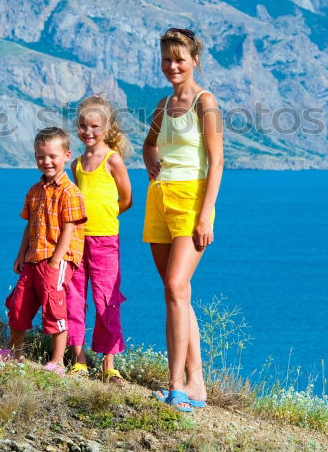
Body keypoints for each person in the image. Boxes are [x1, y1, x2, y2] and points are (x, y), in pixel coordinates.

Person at [142, 27, 223, 412]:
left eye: (180, 59)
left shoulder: (206, 103)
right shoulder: (163, 104)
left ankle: (176, 386)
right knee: (178, 292)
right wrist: (150, 163)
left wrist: (206, 215)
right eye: (167, 59)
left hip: (192, 203)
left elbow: (218, 161)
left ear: (195, 61)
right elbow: (148, 144)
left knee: (175, 288)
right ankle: (196, 382)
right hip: (159, 200)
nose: (173, 66)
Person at [0, 127, 87, 374]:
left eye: (52, 156)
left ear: (67, 155)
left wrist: (56, 261)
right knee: (19, 303)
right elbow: (29, 225)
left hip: (57, 260)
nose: (46, 162)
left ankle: (57, 361)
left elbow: (70, 229)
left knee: (55, 306)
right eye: (40, 157)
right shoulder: (34, 191)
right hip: (34, 257)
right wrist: (20, 254)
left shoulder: (70, 192)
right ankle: (15, 353)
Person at [66, 96, 133, 384]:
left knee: (106, 299)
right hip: (78, 239)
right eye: (82, 125)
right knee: (74, 296)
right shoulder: (77, 164)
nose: (88, 131)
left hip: (105, 240)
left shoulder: (112, 159)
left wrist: (107, 216)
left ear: (106, 127)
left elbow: (127, 198)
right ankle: (78, 359)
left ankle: (109, 363)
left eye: (94, 125)